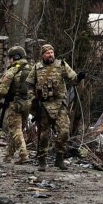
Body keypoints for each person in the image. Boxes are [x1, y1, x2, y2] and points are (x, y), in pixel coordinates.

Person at [26, 43, 85, 171]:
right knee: (44, 135)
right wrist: (33, 100)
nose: (50, 55)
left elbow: (73, 79)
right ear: (43, 55)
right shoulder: (36, 68)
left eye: (52, 52)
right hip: (44, 105)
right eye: (47, 53)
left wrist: (79, 78)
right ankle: (42, 160)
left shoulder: (61, 65)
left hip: (59, 104)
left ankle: (59, 158)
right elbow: (29, 86)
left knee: (64, 131)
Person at [0, 46, 32, 165]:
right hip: (28, 103)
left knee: (15, 130)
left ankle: (23, 154)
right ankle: (8, 155)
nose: (9, 60)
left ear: (14, 58)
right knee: (17, 130)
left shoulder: (13, 70)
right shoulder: (31, 68)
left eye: (10, 58)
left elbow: (2, 89)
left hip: (15, 103)